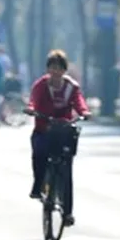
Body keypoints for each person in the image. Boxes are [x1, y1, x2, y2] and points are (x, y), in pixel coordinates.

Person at [27, 50, 90, 222]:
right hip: (43, 130)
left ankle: (67, 212)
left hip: (64, 131)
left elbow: (79, 101)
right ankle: (38, 186)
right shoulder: (41, 85)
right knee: (39, 155)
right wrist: (31, 109)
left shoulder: (71, 87)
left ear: (64, 70)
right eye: (52, 68)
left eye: (59, 68)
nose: (56, 72)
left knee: (66, 169)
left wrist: (84, 112)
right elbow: (33, 100)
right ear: (48, 69)